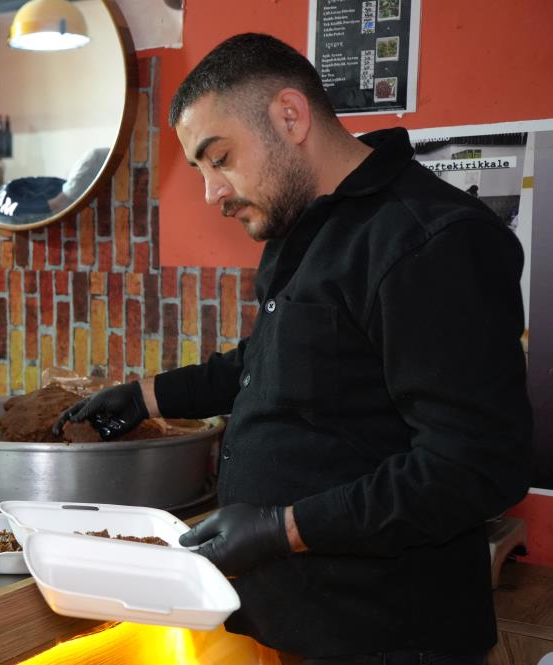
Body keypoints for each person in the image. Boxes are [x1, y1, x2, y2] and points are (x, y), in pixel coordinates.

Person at [55, 33, 532, 662]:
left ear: (290, 116)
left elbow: (475, 467)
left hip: (388, 637)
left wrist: (284, 529)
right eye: (200, 170)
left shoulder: (430, 241)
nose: (212, 192)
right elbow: (274, 362)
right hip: (295, 624)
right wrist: (146, 397)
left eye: (220, 158)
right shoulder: (309, 223)